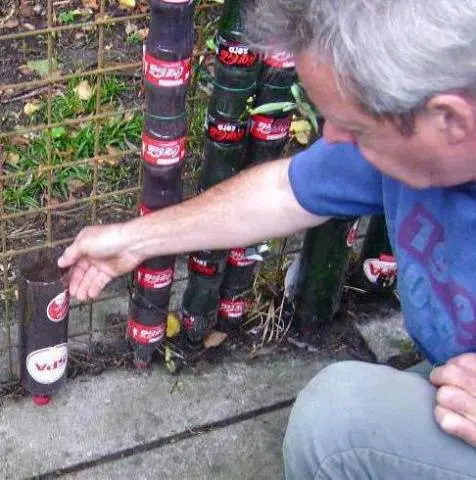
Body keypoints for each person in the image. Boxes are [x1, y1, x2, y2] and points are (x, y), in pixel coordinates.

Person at [58, 0, 476, 477]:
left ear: (451, 120)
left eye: (355, 127)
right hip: (455, 378)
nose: (332, 138)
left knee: (339, 423)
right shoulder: (410, 126)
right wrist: (134, 241)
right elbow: (285, 190)